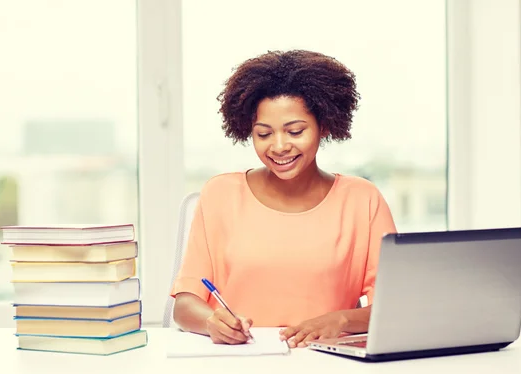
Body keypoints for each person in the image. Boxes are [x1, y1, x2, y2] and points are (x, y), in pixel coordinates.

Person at [170, 49, 397, 348]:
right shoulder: (220, 194)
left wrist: (342, 319)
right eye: (264, 134)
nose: (279, 147)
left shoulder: (362, 201)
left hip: (330, 364)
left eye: (295, 131)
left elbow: (394, 307)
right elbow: (184, 307)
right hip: (239, 363)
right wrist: (212, 322)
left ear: (324, 126)